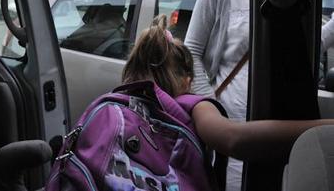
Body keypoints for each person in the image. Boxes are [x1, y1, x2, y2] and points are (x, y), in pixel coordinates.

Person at [184, 0, 334, 191]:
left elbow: (306, 52)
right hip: (232, 128)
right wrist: (211, 108)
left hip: (277, 122)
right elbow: (191, 51)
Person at [122, 14, 334, 189]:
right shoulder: (189, 103)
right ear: (187, 81)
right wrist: (326, 127)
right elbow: (234, 139)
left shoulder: (120, 102)